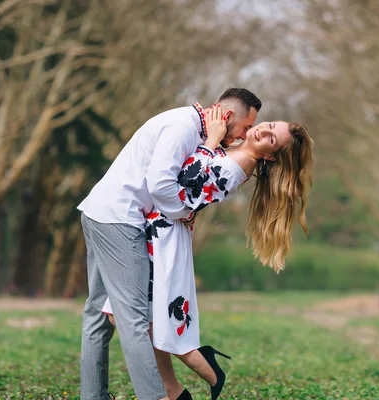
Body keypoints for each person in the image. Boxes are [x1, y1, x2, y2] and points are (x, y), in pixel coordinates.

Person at [101, 106, 314, 399]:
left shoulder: (237, 166)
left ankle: (206, 372)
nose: (264, 130)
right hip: (158, 232)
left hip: (163, 239)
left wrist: (211, 140)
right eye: (271, 125)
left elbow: (184, 186)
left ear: (269, 155)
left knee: (128, 316)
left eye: (272, 139)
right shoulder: (238, 154)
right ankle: (174, 390)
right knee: (143, 318)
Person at [77, 88, 262, 400]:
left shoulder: (193, 130)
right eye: (245, 128)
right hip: (120, 219)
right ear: (227, 117)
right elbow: (162, 186)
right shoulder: (183, 128)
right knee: (133, 318)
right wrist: (184, 212)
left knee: (98, 316)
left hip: (104, 212)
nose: (244, 136)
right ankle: (157, 397)